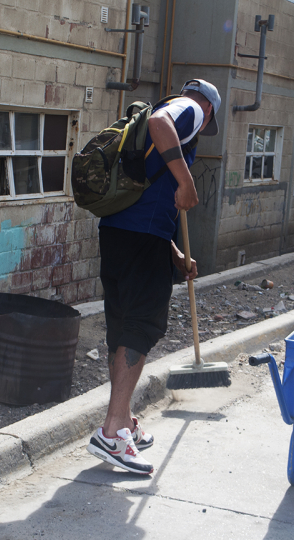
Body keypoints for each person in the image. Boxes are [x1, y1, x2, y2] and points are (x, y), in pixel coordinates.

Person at [86, 79, 222, 474]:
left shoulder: (150, 123)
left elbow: (148, 193)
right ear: (208, 110)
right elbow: (163, 123)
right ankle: (112, 432)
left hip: (120, 232)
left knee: (123, 327)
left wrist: (174, 252)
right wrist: (187, 180)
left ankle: (123, 420)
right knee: (142, 325)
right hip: (141, 236)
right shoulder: (189, 109)